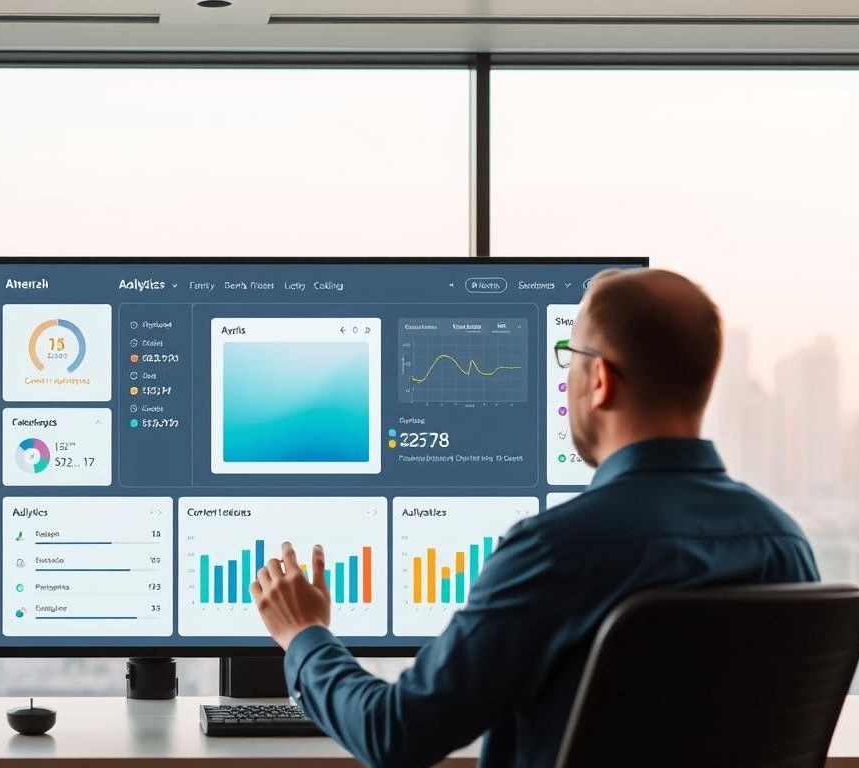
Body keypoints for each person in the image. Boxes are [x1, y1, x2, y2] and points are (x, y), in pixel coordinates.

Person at [250, 268, 819, 768]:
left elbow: (394, 734)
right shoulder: (785, 546)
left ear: (601, 380)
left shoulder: (556, 551)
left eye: (570, 357)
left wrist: (305, 636)